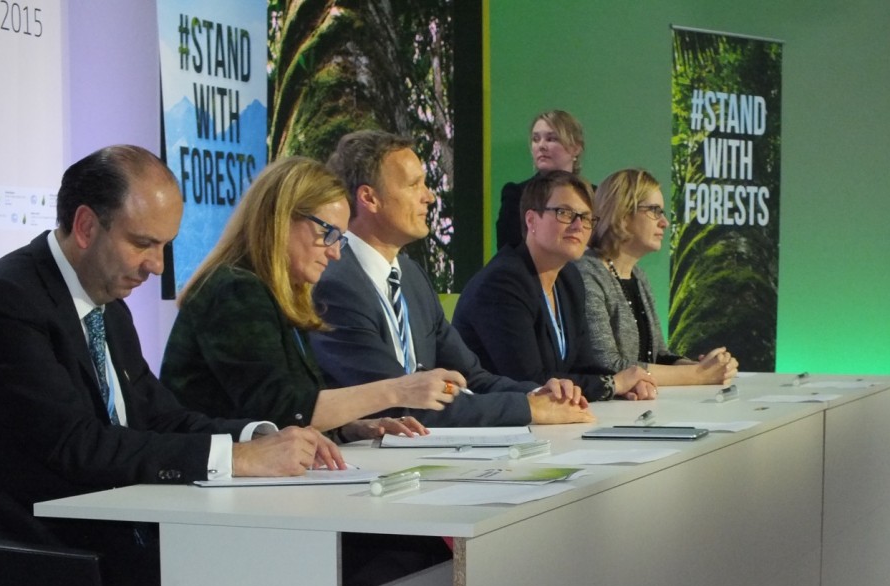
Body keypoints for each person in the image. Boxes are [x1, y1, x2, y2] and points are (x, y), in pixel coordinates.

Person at [0, 145, 343, 586]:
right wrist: (235, 462)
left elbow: (158, 415)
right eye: (143, 244)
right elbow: (77, 446)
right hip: (29, 560)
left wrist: (257, 436)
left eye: (165, 246)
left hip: (97, 539)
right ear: (85, 226)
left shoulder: (105, 302)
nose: (157, 267)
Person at [161, 155, 467, 442]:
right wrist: (399, 390)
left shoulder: (277, 294)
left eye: (341, 239)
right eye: (329, 233)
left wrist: (351, 429)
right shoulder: (233, 290)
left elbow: (290, 410)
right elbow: (280, 411)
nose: (335, 253)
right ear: (281, 219)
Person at [310, 129, 594, 428]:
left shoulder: (411, 276)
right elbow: (398, 401)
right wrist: (528, 409)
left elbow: (473, 376)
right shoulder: (334, 285)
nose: (429, 196)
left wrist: (540, 393)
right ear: (369, 198)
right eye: (414, 184)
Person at [452, 170, 657, 402]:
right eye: (565, 213)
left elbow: (584, 365)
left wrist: (625, 384)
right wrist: (612, 384)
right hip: (493, 425)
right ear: (531, 220)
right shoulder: (502, 282)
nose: (579, 225)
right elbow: (530, 380)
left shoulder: (569, 278)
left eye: (587, 217)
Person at [576, 168, 738, 386]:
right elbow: (607, 365)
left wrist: (709, 367)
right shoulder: (586, 272)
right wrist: (698, 375)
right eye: (654, 211)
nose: (664, 222)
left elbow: (659, 356)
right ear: (623, 215)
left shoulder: (638, 275)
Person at [495, 109, 585, 250]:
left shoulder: (593, 196)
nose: (541, 146)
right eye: (536, 139)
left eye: (551, 139)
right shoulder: (516, 195)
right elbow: (508, 250)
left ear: (576, 148)